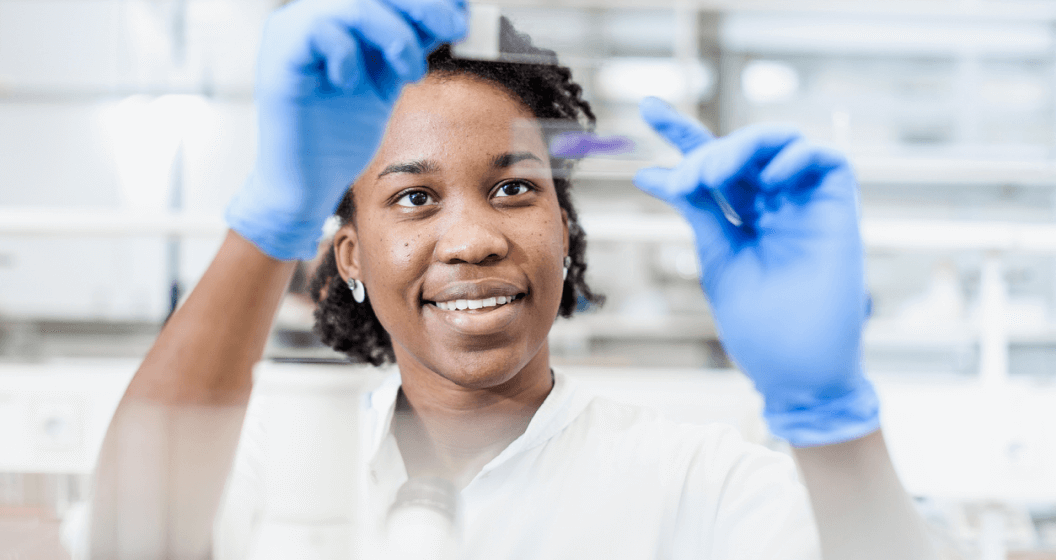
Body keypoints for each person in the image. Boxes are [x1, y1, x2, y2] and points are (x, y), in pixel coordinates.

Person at [87, 1, 937, 559]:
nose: (473, 238)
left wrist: (831, 421)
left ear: (564, 230)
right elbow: (131, 540)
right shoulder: (274, 456)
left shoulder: (697, 484)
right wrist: (269, 220)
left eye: (513, 189)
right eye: (414, 197)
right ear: (349, 257)